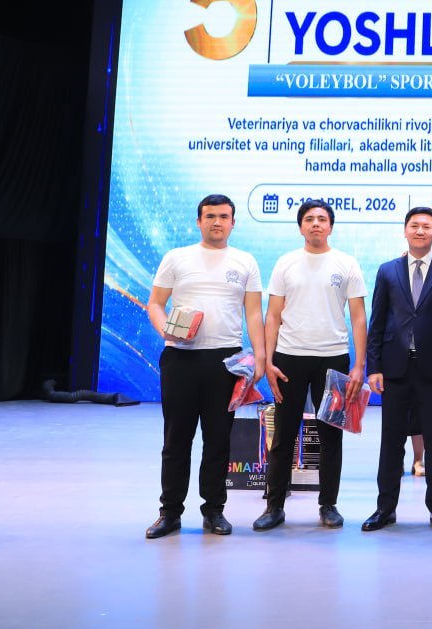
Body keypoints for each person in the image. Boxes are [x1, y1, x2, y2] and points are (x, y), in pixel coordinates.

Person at [145, 194, 265, 539]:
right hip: (180, 358)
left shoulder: (245, 261)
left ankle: (214, 511)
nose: (217, 222)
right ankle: (170, 512)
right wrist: (166, 329)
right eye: (210, 216)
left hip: (225, 362)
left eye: (224, 216)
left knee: (218, 440)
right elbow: (155, 304)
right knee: (176, 439)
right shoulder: (177, 257)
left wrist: (259, 356)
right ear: (199, 221)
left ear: (233, 223)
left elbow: (253, 313)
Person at [253, 200, 367, 531]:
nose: (316, 223)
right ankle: (274, 506)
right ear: (300, 226)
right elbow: (273, 316)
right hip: (289, 357)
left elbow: (358, 317)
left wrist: (359, 364)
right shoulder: (286, 263)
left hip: (333, 358)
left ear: (330, 226)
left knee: (330, 436)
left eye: (322, 219)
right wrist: (269, 360)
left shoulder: (346, 263)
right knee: (284, 434)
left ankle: (328, 505)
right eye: (309, 219)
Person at [361, 207, 432, 533]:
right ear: (405, 230)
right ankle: (385, 508)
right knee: (391, 441)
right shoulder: (387, 271)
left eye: (426, 226)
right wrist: (374, 367)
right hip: (395, 369)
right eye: (414, 225)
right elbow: (377, 321)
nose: (420, 231)